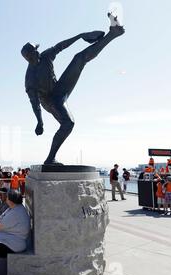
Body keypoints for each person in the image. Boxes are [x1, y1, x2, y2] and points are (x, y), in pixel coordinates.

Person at [22, 13, 124, 165]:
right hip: (50, 102)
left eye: (37, 50)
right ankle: (50, 159)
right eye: (35, 51)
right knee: (68, 123)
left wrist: (80, 36)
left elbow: (60, 46)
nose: (38, 51)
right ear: (30, 57)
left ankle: (113, 33)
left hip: (59, 88)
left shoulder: (45, 56)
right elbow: (35, 103)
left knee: (79, 58)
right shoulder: (30, 79)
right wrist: (40, 122)